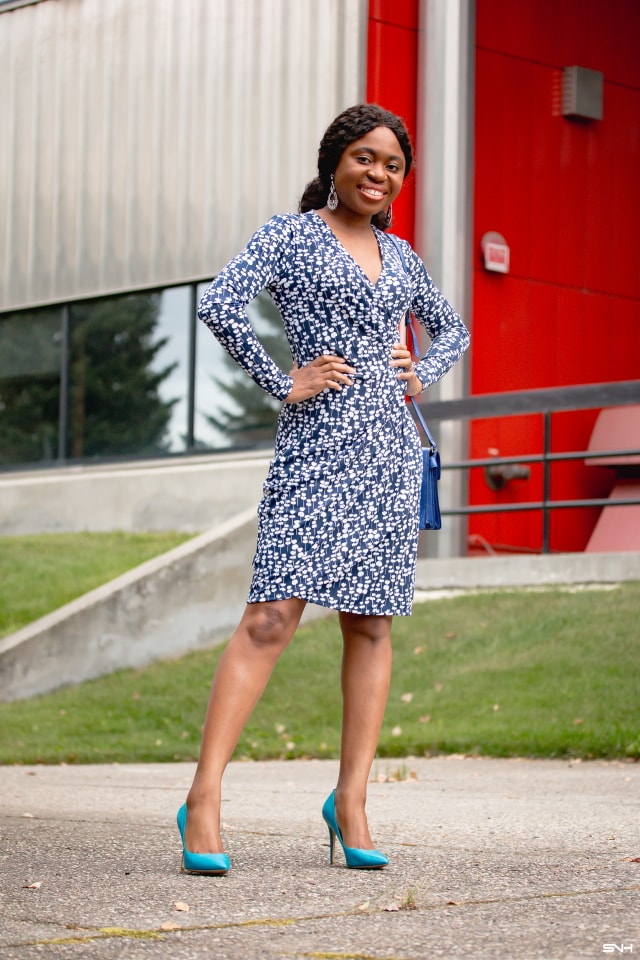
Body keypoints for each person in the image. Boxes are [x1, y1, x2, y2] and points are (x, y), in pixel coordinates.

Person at [176, 103, 470, 875]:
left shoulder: (402, 256)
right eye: (365, 158)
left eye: (393, 165)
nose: (379, 173)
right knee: (272, 616)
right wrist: (284, 381)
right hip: (315, 446)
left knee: (370, 625)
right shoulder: (290, 234)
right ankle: (202, 798)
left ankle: (352, 800)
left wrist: (421, 372)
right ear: (336, 161)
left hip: (387, 454)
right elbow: (219, 304)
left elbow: (455, 330)